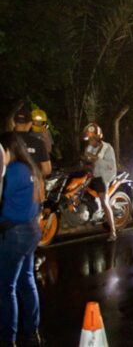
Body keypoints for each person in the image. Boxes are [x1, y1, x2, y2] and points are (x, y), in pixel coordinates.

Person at [0, 132, 43, 346]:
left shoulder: (14, 170)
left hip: (15, 234)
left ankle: (7, 339)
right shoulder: (31, 168)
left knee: (5, 287)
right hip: (31, 230)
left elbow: (3, 199)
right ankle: (32, 332)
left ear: (8, 150)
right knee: (27, 281)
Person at [82, 123, 118, 242]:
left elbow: (110, 166)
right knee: (81, 192)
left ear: (98, 137)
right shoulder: (89, 148)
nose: (91, 141)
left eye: (93, 138)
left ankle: (113, 231)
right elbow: (87, 161)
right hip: (93, 176)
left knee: (104, 202)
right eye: (89, 138)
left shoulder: (107, 147)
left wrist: (95, 158)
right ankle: (92, 215)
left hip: (104, 177)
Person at [13, 107, 51, 177]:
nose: (37, 123)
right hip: (32, 180)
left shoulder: (5, 140)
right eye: (35, 121)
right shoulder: (37, 142)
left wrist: (45, 137)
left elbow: (49, 150)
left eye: (40, 122)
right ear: (31, 123)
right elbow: (47, 170)